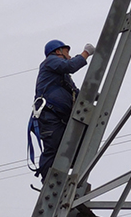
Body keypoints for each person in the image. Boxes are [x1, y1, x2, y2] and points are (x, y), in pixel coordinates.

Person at [31, 39, 95, 182]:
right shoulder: (50, 62)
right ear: (57, 52)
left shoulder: (62, 76)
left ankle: (65, 175)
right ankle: (49, 181)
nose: (70, 56)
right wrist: (85, 53)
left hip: (60, 118)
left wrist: (93, 96)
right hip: (50, 116)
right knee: (53, 148)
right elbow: (71, 65)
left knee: (74, 145)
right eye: (67, 52)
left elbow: (76, 93)